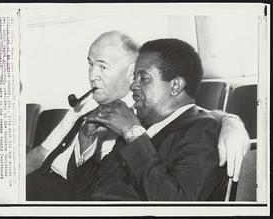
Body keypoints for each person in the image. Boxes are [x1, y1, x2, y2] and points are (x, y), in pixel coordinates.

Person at [26, 32, 250, 201]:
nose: (133, 85)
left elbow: (176, 205)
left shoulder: (201, 132)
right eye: (135, 78)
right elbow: (85, 194)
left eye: (143, 79)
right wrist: (86, 143)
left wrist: (133, 133)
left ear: (176, 86)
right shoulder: (139, 126)